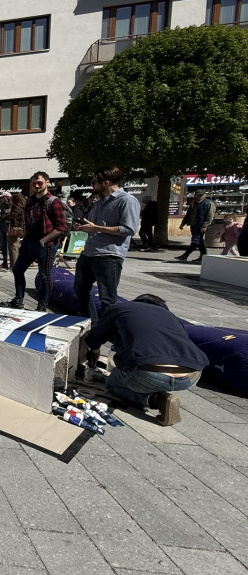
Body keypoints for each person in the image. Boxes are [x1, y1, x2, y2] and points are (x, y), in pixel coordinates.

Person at [86, 294, 207, 426]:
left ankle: (156, 400)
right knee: (147, 372)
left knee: (112, 383)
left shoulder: (120, 308)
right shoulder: (172, 317)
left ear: (138, 300)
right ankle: (155, 387)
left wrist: (94, 350)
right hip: (190, 376)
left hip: (149, 373)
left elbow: (96, 336)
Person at [74, 167, 141, 323]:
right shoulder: (99, 202)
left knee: (107, 297)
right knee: (80, 290)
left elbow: (129, 229)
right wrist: (84, 227)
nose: (92, 186)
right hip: (89, 252)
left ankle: (106, 332)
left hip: (109, 255)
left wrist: (96, 228)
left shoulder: (127, 200)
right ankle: (90, 325)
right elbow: (95, 226)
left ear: (106, 182)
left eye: (94, 182)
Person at [1, 172, 67, 312]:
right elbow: (26, 220)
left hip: (46, 243)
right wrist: (25, 236)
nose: (37, 186)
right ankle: (18, 300)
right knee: (18, 269)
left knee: (44, 275)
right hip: (29, 242)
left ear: (47, 182)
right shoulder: (30, 201)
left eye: (40, 183)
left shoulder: (53, 201)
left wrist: (43, 241)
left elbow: (61, 227)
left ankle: (42, 305)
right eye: (34, 183)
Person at [177, 190, 216, 262]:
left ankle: (185, 255)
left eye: (201, 195)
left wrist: (205, 225)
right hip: (193, 224)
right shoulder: (193, 203)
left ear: (204, 195)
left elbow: (210, 216)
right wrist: (183, 223)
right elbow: (188, 214)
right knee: (200, 241)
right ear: (195, 195)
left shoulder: (208, 203)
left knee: (195, 241)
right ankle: (204, 256)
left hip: (201, 225)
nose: (199, 196)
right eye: (198, 195)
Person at [4, 193, 25, 270]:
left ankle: (14, 265)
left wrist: (6, 218)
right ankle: (14, 265)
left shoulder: (17, 207)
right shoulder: (22, 206)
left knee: (13, 247)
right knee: (15, 246)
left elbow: (12, 215)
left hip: (15, 227)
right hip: (18, 227)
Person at [0, 192, 11, 269]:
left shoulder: (11, 205)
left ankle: (9, 261)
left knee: (8, 243)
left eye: (2, 197)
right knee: (2, 242)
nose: (1, 199)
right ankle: (4, 260)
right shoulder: (3, 205)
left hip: (7, 225)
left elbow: (9, 215)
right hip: (2, 224)